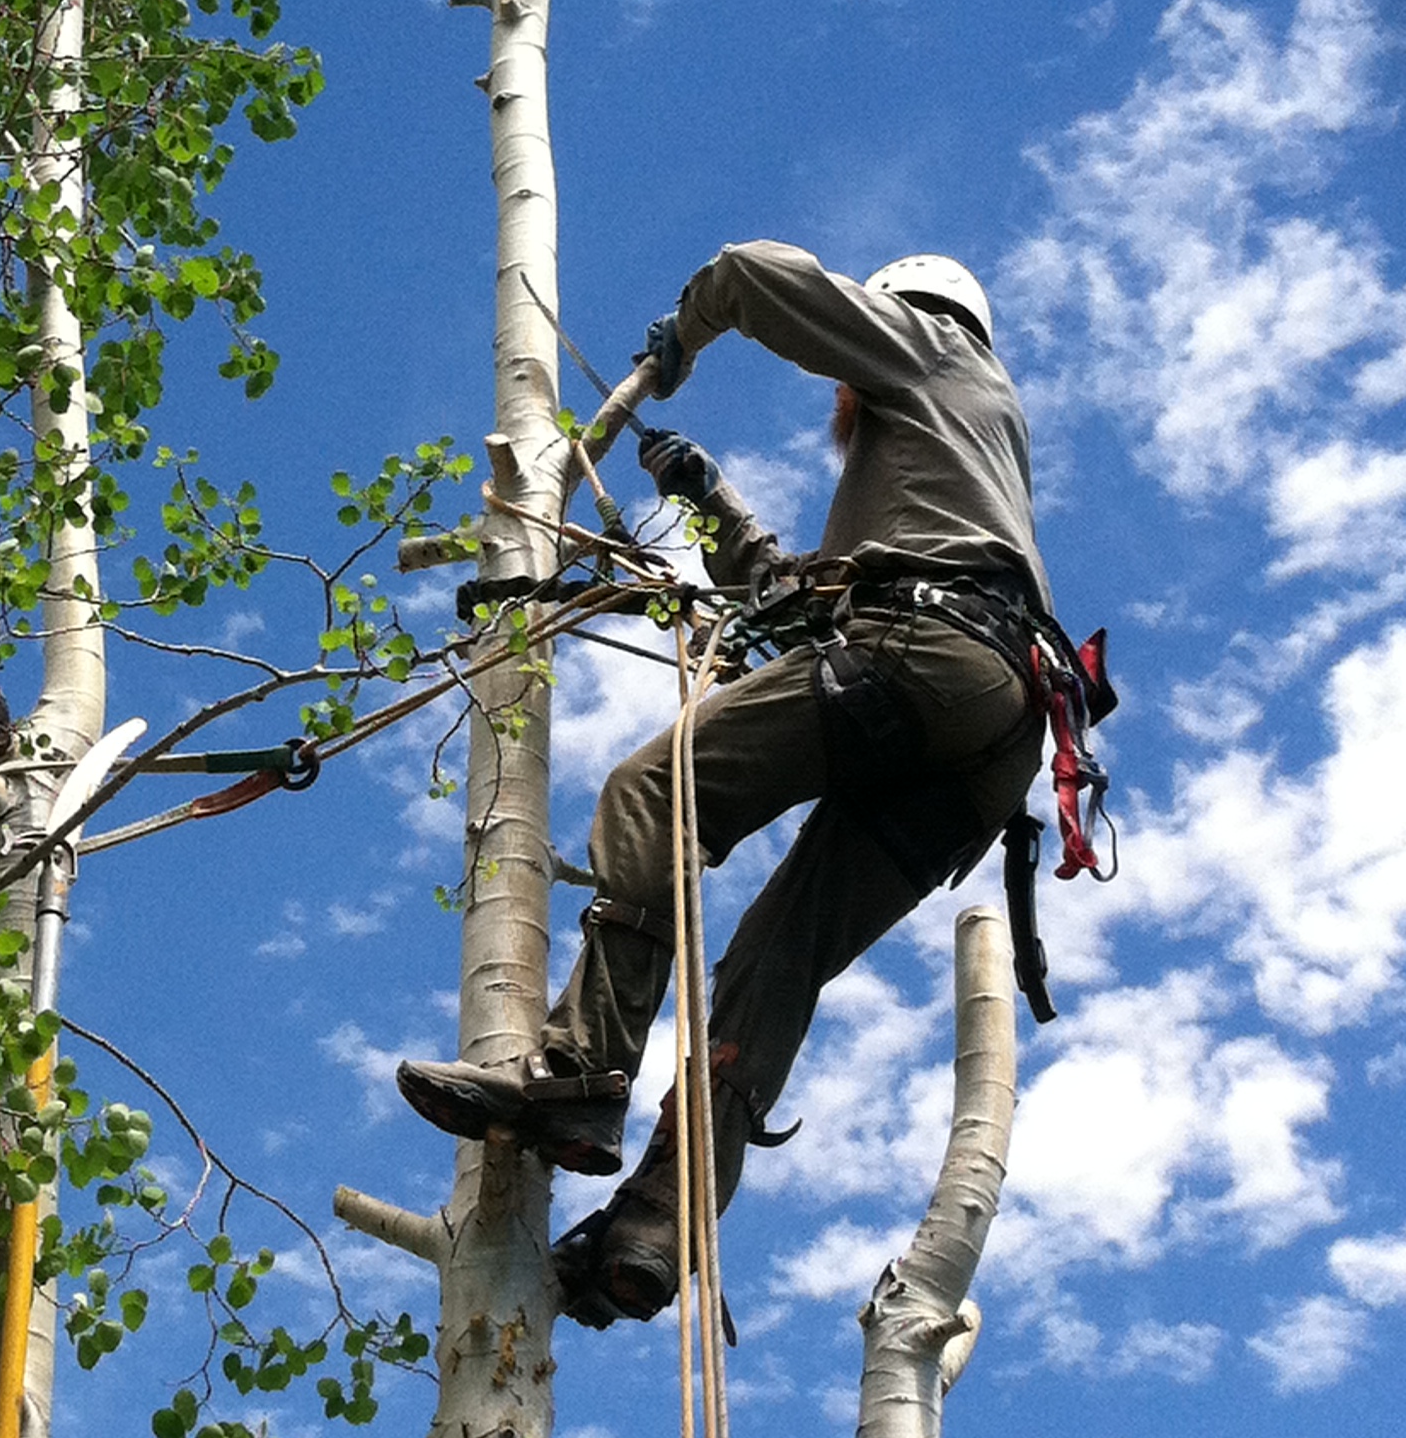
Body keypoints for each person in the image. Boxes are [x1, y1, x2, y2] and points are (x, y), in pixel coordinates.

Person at [396, 241, 1054, 1329]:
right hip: (984, 735)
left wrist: (688, 333)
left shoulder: (933, 350)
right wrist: (706, 500)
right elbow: (798, 600)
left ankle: (580, 1075)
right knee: (773, 962)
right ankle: (657, 1226)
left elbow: (752, 273)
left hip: (927, 654)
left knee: (655, 791)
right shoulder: (944, 463)